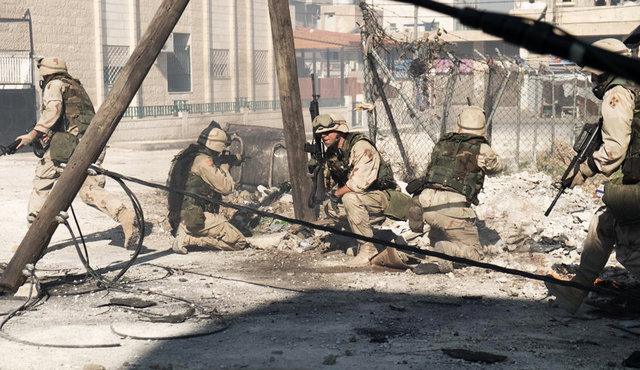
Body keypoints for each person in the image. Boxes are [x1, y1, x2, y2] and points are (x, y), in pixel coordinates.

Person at [545, 38, 640, 314]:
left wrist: (585, 169)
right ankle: (577, 290)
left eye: (594, 74)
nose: (592, 80)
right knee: (603, 222)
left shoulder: (618, 93)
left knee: (629, 248)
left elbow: (614, 150)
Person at [14, 57, 138, 249]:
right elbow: (74, 119)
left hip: (72, 146)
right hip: (94, 143)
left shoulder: (53, 85)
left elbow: (52, 113)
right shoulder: (75, 86)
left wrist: (32, 135)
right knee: (88, 189)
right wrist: (50, 134)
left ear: (45, 73)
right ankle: (124, 215)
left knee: (42, 181)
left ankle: (31, 242)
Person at [407, 106, 504, 274]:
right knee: (475, 254)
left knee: (439, 240)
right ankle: (450, 251)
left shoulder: (442, 143)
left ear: (459, 123)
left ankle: (436, 258)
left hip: (427, 206)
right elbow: (498, 167)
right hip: (453, 210)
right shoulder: (482, 149)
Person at [312, 113, 407, 266]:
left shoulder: (361, 146)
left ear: (340, 131)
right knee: (331, 207)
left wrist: (337, 194)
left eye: (328, 132)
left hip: (385, 196)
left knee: (349, 199)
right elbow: (329, 186)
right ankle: (375, 237)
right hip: (364, 196)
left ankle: (368, 248)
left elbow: (358, 183)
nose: (324, 136)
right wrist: (316, 170)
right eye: (321, 134)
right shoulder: (334, 152)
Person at [167, 124, 246, 254]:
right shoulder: (204, 162)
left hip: (177, 214)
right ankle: (188, 239)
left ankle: (184, 232)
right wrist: (225, 168)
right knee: (239, 242)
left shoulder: (186, 155)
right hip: (193, 218)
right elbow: (226, 188)